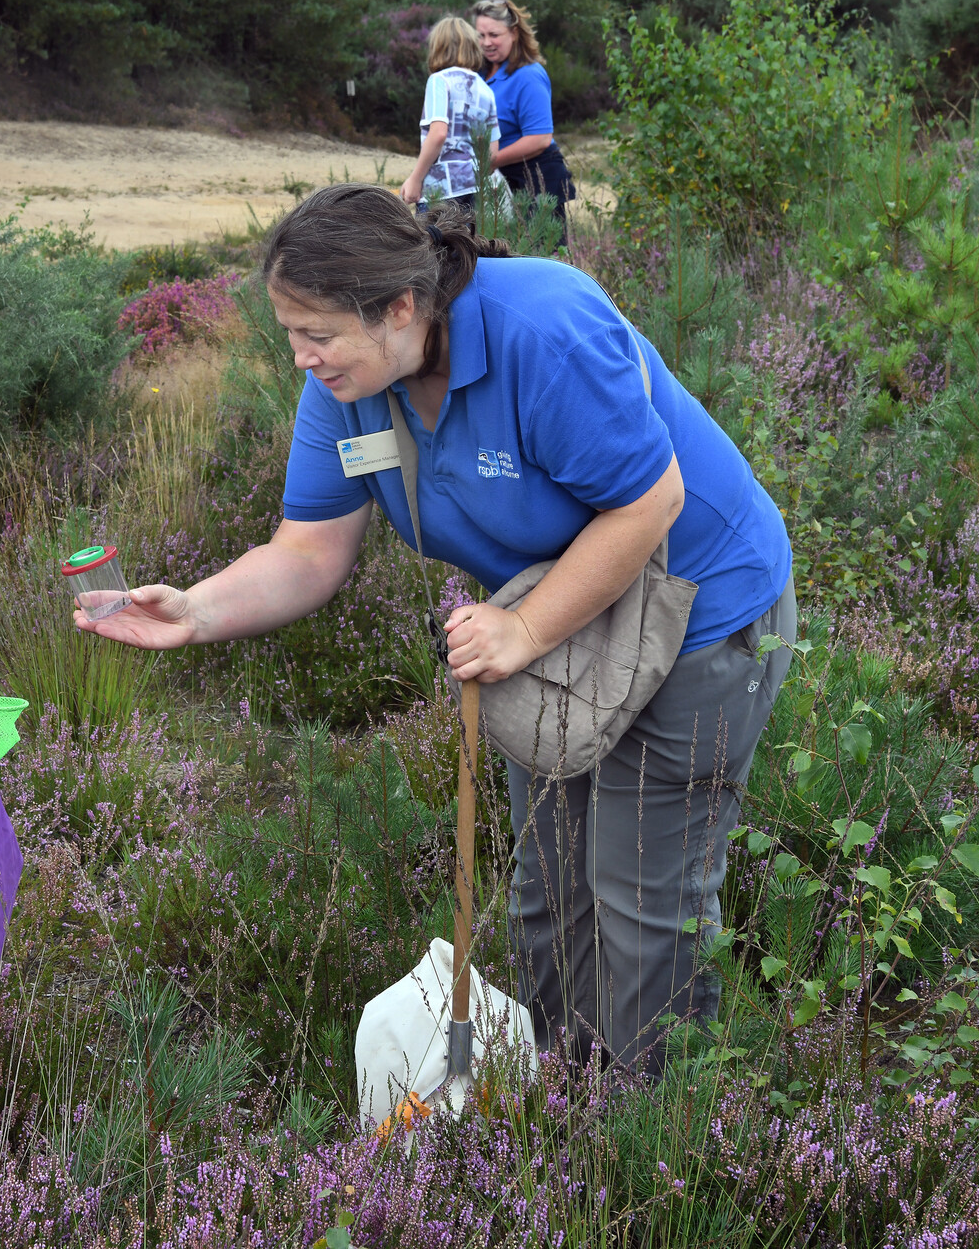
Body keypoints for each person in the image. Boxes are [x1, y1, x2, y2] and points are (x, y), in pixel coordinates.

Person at [76, 186, 796, 1079]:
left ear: (403, 306)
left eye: (318, 333)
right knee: (551, 887)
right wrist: (195, 610)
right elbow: (307, 553)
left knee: (643, 892)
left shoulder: (543, 329)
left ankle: (651, 1136)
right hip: (552, 618)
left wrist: (524, 628)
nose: (300, 358)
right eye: (289, 332)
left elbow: (654, 501)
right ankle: (554, 1100)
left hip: (697, 609)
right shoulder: (351, 385)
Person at [470, 0, 577, 240]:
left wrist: (491, 161)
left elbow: (540, 138)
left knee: (540, 261)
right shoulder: (479, 72)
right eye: (480, 35)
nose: (486, 43)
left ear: (514, 33)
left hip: (534, 180)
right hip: (499, 183)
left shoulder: (529, 75)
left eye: (494, 35)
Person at [399, 17, 500, 214]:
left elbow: (438, 134)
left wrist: (415, 179)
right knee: (466, 244)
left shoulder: (439, 81)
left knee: (434, 244)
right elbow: (492, 154)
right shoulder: (486, 90)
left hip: (440, 191)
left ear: (438, 47)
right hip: (474, 190)